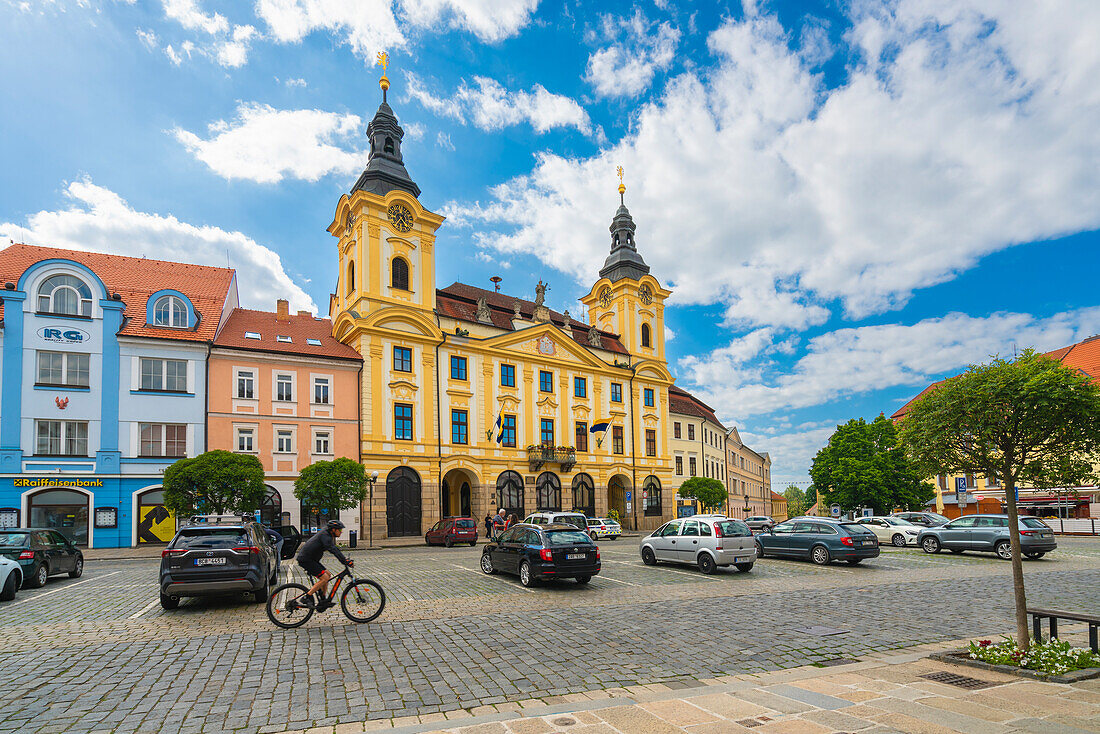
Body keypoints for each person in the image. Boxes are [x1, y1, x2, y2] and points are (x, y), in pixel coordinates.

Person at [295, 519, 352, 611]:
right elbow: (332, 549)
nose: (341, 532)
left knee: (328, 575)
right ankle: (307, 596)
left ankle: (323, 599)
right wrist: (344, 561)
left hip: (311, 559)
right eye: (340, 530)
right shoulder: (325, 536)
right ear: (333, 530)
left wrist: (344, 560)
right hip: (306, 560)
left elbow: (334, 549)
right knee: (324, 578)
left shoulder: (327, 534)